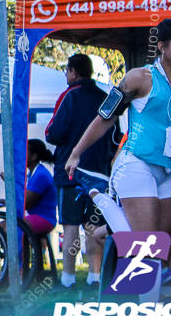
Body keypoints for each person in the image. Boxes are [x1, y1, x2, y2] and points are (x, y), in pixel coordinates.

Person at [66, 20, 171, 269]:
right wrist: (76, 153)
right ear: (162, 46)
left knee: (159, 252)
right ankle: (101, 198)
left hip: (166, 171)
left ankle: (146, 303)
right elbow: (105, 117)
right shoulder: (140, 77)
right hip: (137, 165)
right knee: (146, 248)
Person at [45, 53, 119, 289]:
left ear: (73, 72)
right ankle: (94, 276)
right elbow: (117, 136)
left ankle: (67, 278)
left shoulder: (69, 96)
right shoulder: (105, 97)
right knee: (93, 226)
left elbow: (53, 133)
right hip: (99, 171)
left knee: (70, 225)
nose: (66, 75)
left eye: (66, 71)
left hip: (70, 170)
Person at [24, 139, 57, 235]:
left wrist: (10, 183)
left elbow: (26, 203)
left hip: (44, 218)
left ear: (34, 156)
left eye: (25, 152)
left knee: (9, 228)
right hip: (39, 217)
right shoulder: (34, 173)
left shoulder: (40, 175)